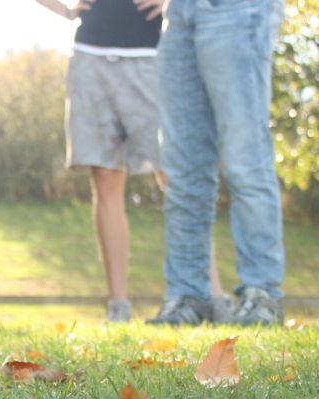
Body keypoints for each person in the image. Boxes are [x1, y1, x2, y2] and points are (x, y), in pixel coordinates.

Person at [34, 0, 228, 322]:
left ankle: (213, 295)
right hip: (90, 56)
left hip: (152, 57)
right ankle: (118, 307)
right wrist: (66, 10)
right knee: (106, 179)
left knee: (174, 175)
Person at [149, 0, 287, 326]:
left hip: (238, 9)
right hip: (179, 12)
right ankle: (187, 296)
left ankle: (261, 292)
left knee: (245, 159)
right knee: (183, 168)